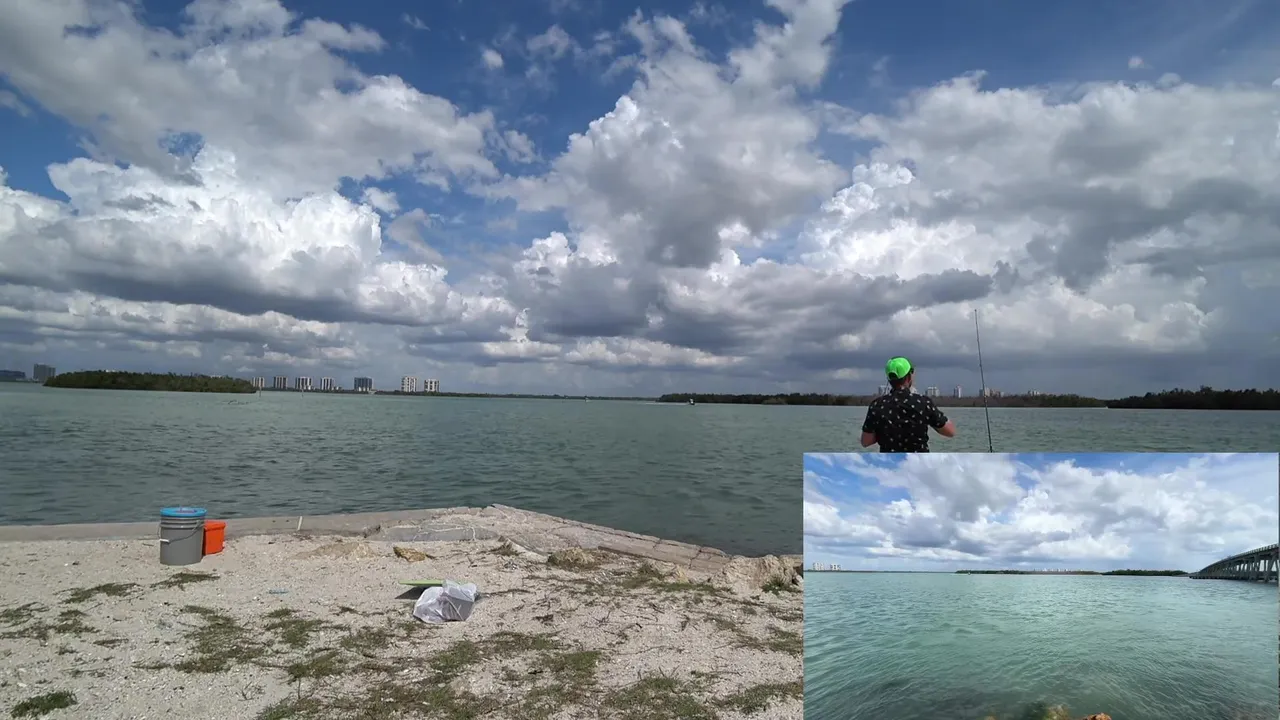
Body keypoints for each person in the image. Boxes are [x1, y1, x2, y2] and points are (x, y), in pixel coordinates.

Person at [860, 357, 956, 452]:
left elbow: (865, 442)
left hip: (889, 459)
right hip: (919, 459)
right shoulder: (923, 402)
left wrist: (884, 432)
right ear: (909, 377)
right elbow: (950, 432)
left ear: (889, 379)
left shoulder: (877, 405)